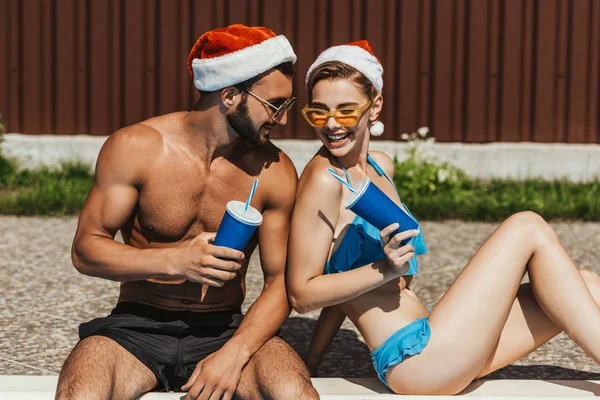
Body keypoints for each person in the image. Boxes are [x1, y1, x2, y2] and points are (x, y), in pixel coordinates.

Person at [286, 40, 600, 395]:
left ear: (374, 108)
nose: (330, 124)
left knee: (587, 283)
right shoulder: (323, 179)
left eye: (345, 111)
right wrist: (384, 269)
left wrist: (312, 363)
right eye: (318, 112)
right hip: (416, 362)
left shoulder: (381, 168)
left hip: (440, 344)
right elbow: (302, 293)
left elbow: (342, 292)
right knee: (526, 225)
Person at [55, 24, 319, 400]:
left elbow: (278, 283)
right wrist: (176, 261)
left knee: (295, 393)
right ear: (229, 95)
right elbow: (85, 250)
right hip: (136, 326)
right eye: (276, 106)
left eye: (288, 106)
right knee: (80, 393)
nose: (283, 119)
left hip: (224, 330)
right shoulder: (137, 147)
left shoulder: (273, 170)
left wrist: (234, 354)